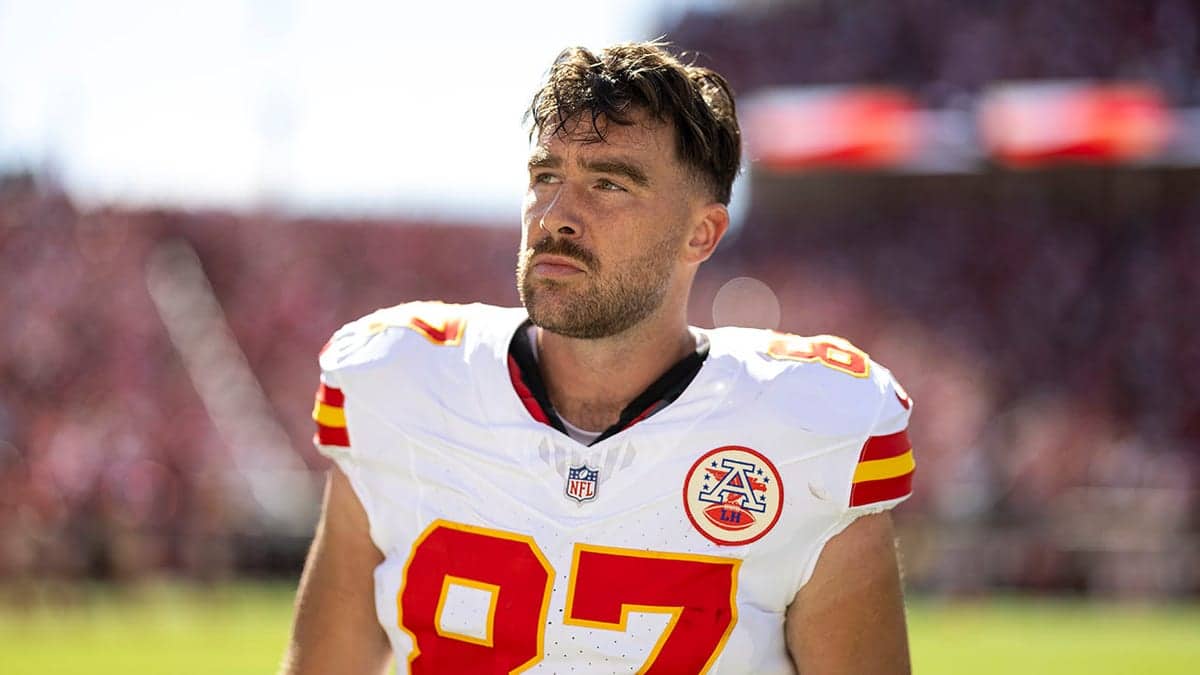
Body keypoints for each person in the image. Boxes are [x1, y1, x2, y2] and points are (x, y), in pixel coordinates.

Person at [281, 41, 915, 675]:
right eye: (546, 176)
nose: (557, 217)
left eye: (609, 183)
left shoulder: (810, 428)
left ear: (701, 234)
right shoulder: (400, 382)